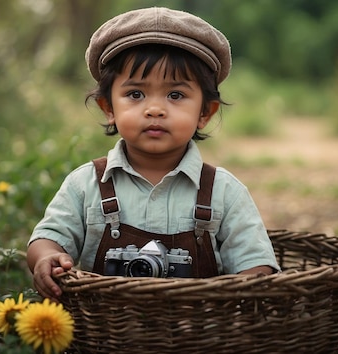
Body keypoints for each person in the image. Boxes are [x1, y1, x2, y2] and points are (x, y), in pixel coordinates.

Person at [27, 7, 280, 301]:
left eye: (176, 95)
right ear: (108, 108)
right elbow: (48, 239)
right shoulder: (85, 184)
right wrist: (46, 257)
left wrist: (250, 286)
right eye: (135, 94)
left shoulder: (224, 192)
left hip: (200, 335)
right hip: (103, 333)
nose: (155, 109)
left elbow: (256, 265)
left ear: (205, 113)